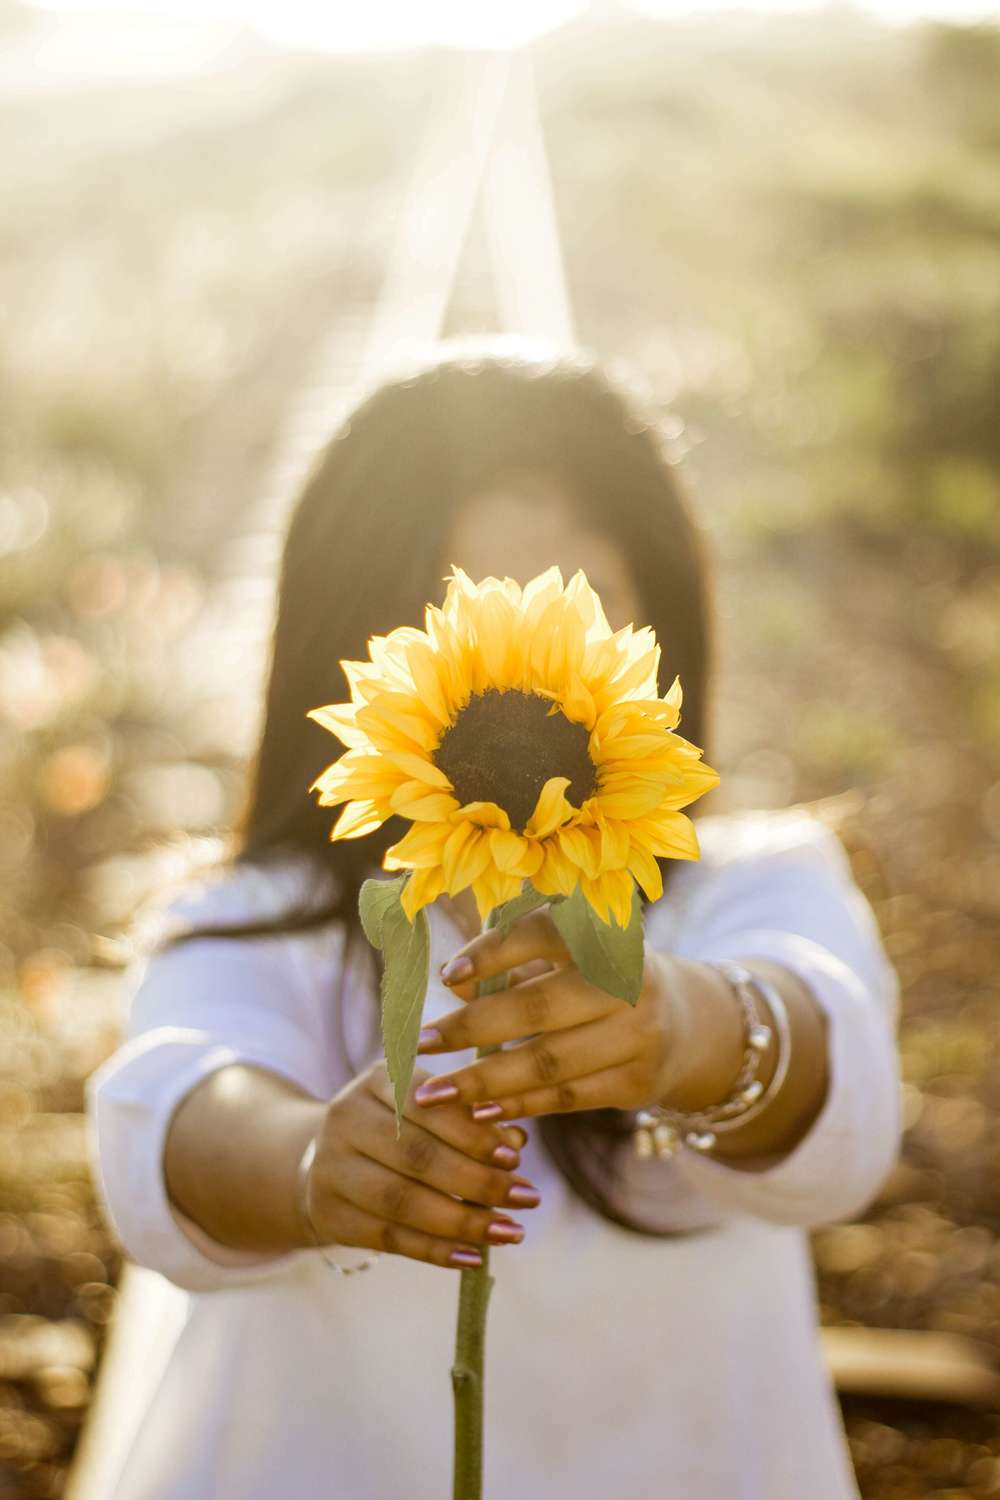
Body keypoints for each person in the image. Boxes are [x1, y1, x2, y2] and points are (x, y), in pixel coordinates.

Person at [85, 341, 902, 1500]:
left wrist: (689, 1029)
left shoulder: (751, 888)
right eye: (457, 605)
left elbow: (830, 1068)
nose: (534, 655)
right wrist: (313, 1159)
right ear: (355, 649)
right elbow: (182, 1097)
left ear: (662, 623)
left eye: (581, 608)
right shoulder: (255, 924)